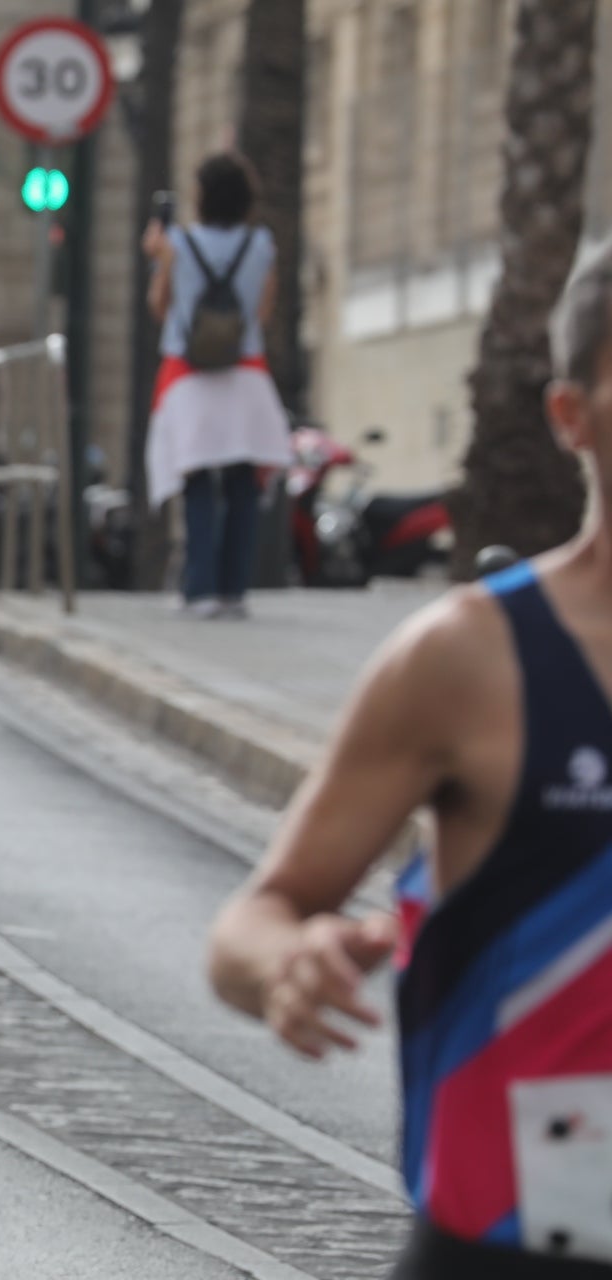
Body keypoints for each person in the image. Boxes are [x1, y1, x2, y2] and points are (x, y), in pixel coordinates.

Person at [205, 243, 612, 1278]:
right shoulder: (468, 659)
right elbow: (255, 916)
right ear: (573, 417)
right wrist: (283, 963)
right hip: (512, 1248)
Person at [142, 151, 291, 620]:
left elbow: (160, 306)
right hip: (245, 373)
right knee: (244, 483)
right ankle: (234, 590)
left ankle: (200, 588)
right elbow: (263, 311)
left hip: (190, 377)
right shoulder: (262, 244)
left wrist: (158, 258)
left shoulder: (178, 245)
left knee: (199, 483)